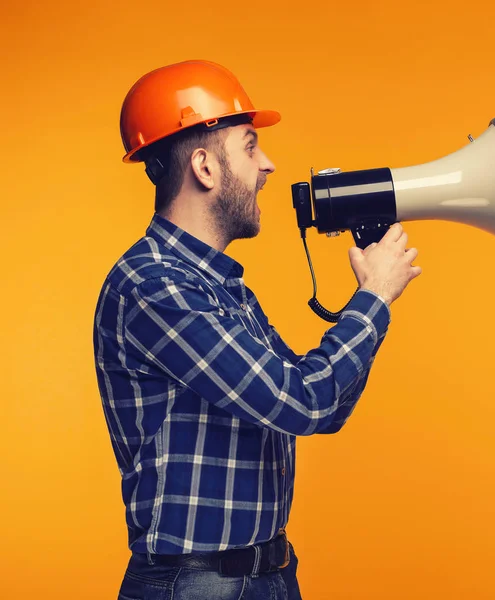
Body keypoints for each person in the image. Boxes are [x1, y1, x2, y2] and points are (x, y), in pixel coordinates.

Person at [93, 60, 421, 600]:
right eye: (249, 146)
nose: (267, 165)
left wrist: (371, 304)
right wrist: (374, 299)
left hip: (266, 575)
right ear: (204, 166)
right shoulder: (152, 286)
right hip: (197, 584)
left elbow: (325, 406)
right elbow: (305, 402)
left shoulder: (226, 289)